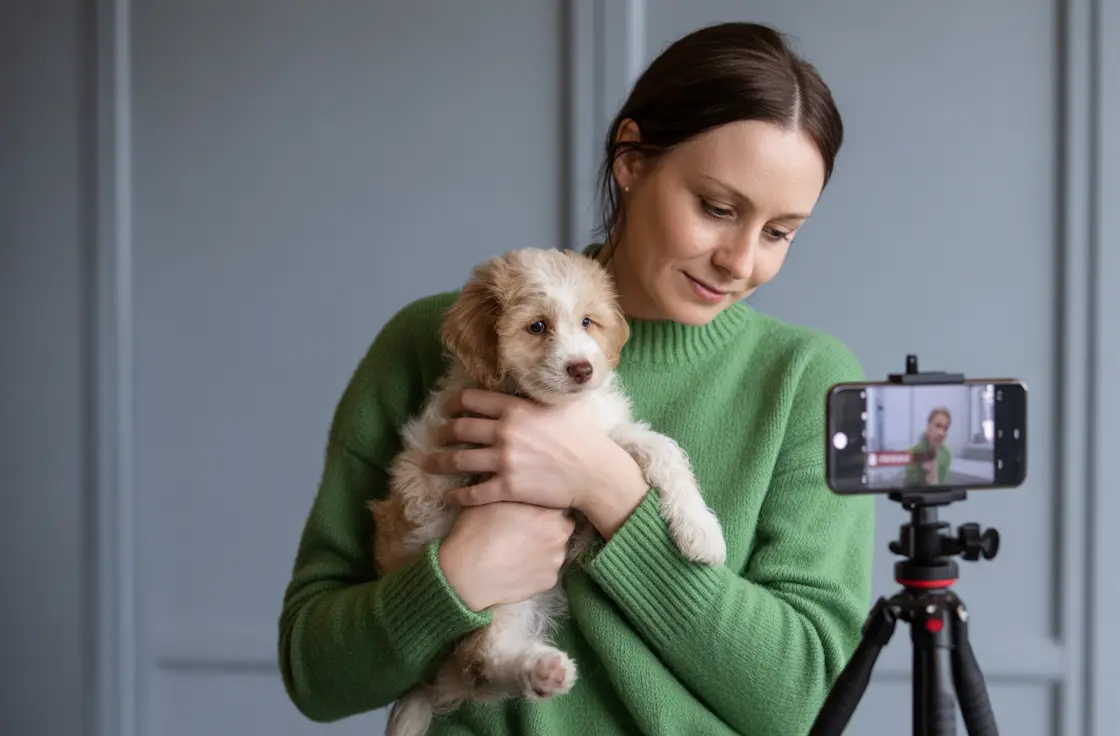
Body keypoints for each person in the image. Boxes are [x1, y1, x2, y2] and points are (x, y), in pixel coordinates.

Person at [277, 21, 875, 736]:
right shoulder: (434, 343)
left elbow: (802, 702)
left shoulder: (807, 382)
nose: (741, 262)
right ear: (631, 158)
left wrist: (606, 487)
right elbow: (315, 672)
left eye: (780, 233)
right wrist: (455, 578)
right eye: (717, 209)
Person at [903, 407, 953, 487]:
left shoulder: (946, 453)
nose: (941, 433)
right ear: (928, 427)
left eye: (945, 429)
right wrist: (924, 477)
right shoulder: (913, 453)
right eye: (938, 426)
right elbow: (908, 487)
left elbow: (944, 484)